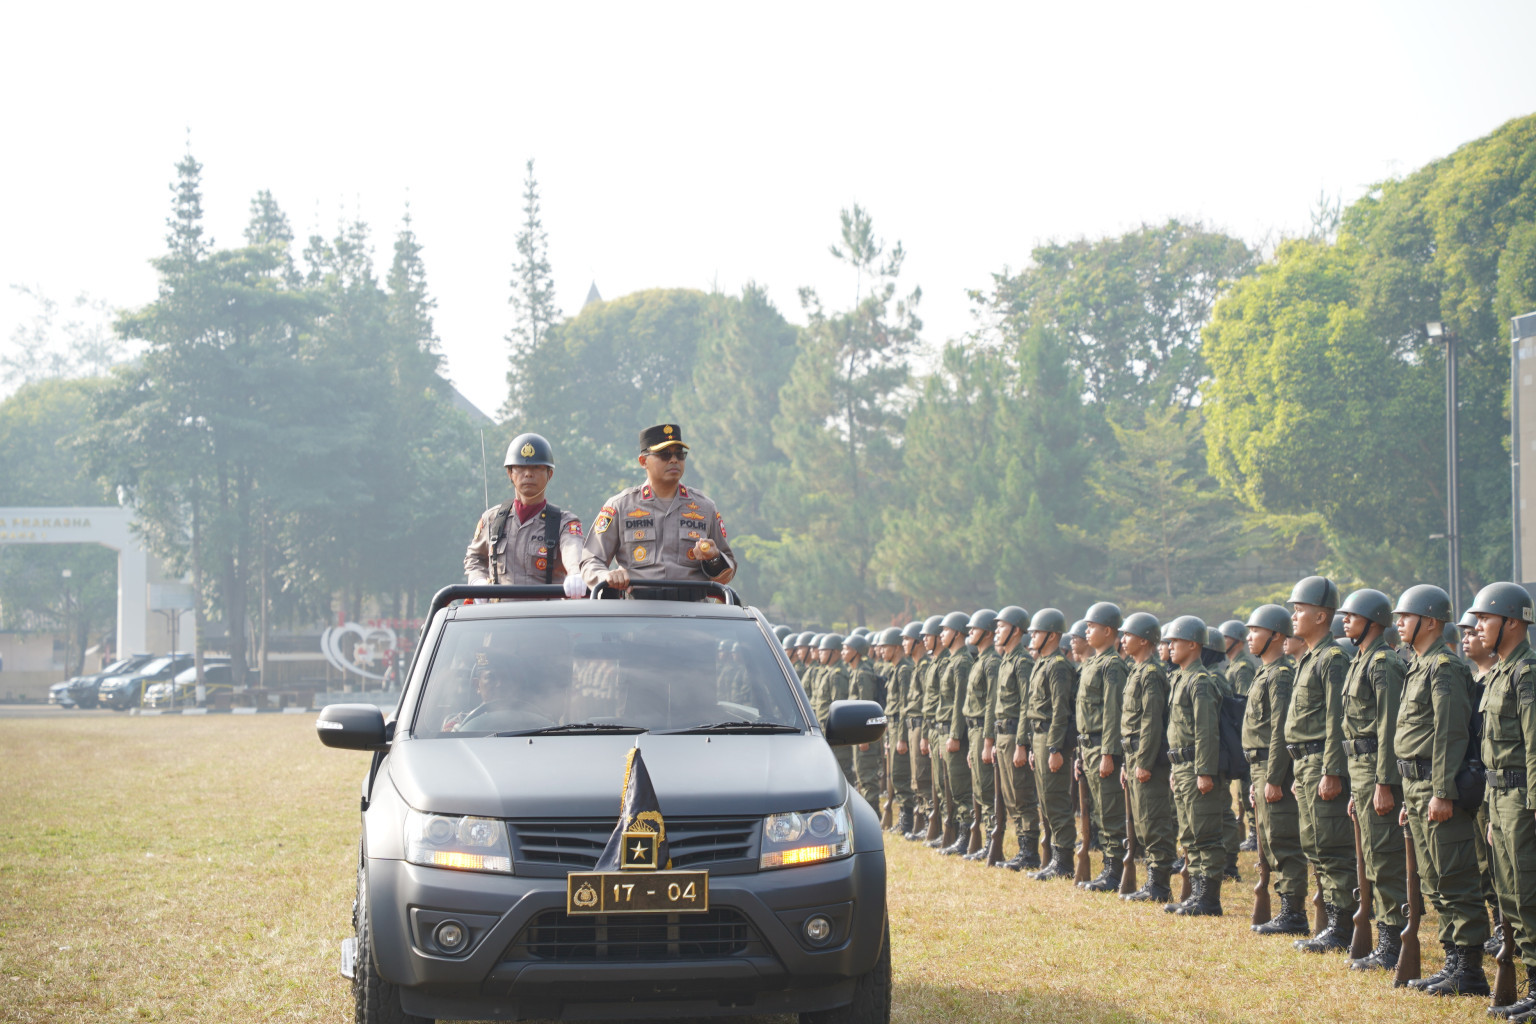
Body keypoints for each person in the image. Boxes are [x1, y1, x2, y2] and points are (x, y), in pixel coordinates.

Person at [1393, 583, 1491, 996]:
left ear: (1429, 621)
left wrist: (1442, 791)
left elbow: (1450, 734)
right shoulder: (1418, 664)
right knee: (1434, 880)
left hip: (1437, 785)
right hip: (1416, 785)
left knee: (1454, 876)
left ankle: (1469, 971)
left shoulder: (1444, 668)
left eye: (1405, 617)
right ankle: (1453, 961)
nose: (1398, 624)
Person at [1469, 582, 1536, 1018]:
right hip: (1500, 796)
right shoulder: (1500, 673)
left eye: (1485, 620)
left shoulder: (1526, 674)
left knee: (1529, 891)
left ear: (1511, 623)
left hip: (1522, 797)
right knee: (1510, 895)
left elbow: (1534, 744)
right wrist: (1494, 810)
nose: (1477, 627)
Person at [1284, 575, 1359, 954]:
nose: (1293, 616)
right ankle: (1331, 923)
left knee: (1332, 846)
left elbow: (1336, 720)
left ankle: (1343, 928)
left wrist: (1331, 770)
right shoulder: (1309, 658)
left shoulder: (1332, 658)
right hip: (1306, 763)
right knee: (1315, 844)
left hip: (1321, 762)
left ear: (1321, 615)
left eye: (1299, 610)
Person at [1334, 588, 1408, 970]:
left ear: (1373, 622)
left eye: (1353, 615)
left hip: (1377, 773)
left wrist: (1383, 782)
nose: (1345, 620)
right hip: (1360, 773)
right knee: (1371, 859)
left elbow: (1388, 727)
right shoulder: (1359, 660)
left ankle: (1393, 944)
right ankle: (1385, 939)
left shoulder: (1382, 663)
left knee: (1384, 859)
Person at [580, 423, 735, 592]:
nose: (674, 460)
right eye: (664, 455)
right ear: (643, 461)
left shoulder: (705, 507)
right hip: (639, 611)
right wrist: (606, 576)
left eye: (679, 454)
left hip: (692, 611)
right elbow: (590, 561)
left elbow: (727, 573)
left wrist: (713, 558)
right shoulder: (621, 506)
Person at [1244, 604, 1311, 936]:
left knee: (1284, 839)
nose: (1249, 637)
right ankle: (1287, 908)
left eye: (1254, 630)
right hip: (1260, 767)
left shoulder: (1281, 675)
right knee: (1270, 840)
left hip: (1275, 770)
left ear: (1275, 635)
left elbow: (1278, 730)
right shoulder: (1265, 673)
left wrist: (1272, 778)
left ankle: (1293, 912)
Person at [1162, 614, 1227, 916]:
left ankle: (1209, 898)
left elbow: (1206, 731)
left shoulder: (1200, 682)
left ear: (1192, 644)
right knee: (1189, 832)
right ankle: (1197, 894)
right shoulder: (1180, 678)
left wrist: (1205, 771)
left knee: (1205, 833)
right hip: (1182, 765)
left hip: (1196, 766)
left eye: (1175, 641)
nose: (1170, 646)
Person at [464, 432, 586, 593]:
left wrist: (575, 573)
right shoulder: (493, 520)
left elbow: (573, 550)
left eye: (536, 467)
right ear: (510, 473)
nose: (528, 473)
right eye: (521, 467)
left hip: (545, 615)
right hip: (499, 614)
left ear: (550, 474)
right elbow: (475, 558)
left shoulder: (563, 523)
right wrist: (478, 581)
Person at [1119, 611, 1175, 903]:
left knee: (1153, 820)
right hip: (1134, 754)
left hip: (1146, 756)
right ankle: (1153, 880)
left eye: (1127, 635)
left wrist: (1144, 761)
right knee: (1141, 820)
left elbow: (1152, 721)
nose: (1123, 639)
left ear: (1143, 640)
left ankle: (1159, 884)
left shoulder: (1152, 673)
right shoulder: (1137, 670)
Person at [1076, 601, 1128, 892]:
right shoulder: (1091, 664)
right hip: (1088, 746)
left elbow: (1112, 712)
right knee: (1098, 811)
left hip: (1102, 747)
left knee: (1110, 812)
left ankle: (1114, 869)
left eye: (1091, 626)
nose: (1087, 630)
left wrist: (1109, 753)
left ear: (1108, 630)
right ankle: (1108, 867)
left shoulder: (1112, 665)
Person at [1025, 608, 1077, 880]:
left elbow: (1060, 711)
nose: (1032, 636)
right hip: (1039, 737)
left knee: (1056, 799)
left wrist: (1055, 748)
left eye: (1037, 632)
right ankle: (1056, 858)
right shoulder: (1042, 663)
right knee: (1045, 800)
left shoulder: (1057, 666)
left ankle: (1064, 862)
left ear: (1053, 635)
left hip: (1050, 737)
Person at [987, 605, 1040, 870]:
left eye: (1002, 626)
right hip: (1003, 735)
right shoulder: (1006, 660)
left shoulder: (1022, 662)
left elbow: (1026, 706)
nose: (997, 631)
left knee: (1021, 794)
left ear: (1016, 630)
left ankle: (1030, 852)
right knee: (1009, 796)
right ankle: (1022, 847)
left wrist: (1021, 743)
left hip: (1015, 735)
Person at [960, 609, 1001, 861]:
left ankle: (992, 842)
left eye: (974, 629)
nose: (970, 633)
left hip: (982, 732)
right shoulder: (980, 660)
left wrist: (987, 742)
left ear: (986, 632)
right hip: (973, 730)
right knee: (979, 788)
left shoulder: (991, 662)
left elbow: (990, 704)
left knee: (987, 789)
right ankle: (986, 841)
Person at [936, 611, 977, 856]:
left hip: (955, 735)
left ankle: (966, 836)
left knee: (961, 789)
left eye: (945, 630)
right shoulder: (952, 661)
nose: (941, 635)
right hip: (944, 731)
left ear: (957, 633)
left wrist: (954, 734)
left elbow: (960, 701)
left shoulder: (962, 662)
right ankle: (956, 833)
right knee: (948, 786)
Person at [1221, 619, 1260, 852]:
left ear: (1235, 640)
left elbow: (1244, 702)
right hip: (1237, 732)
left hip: (1243, 733)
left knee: (1248, 787)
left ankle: (1255, 832)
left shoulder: (1243, 667)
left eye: (1226, 637)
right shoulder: (1233, 665)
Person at [879, 627, 917, 836]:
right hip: (892, 727)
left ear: (895, 648)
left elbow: (904, 705)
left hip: (899, 728)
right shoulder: (894, 670)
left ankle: (908, 819)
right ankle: (904, 817)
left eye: (885, 646)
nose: (881, 650)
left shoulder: (904, 671)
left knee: (902, 775)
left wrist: (901, 737)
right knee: (895, 775)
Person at [898, 621, 932, 841]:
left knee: (923, 778)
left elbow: (929, 703)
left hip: (921, 726)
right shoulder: (918, 667)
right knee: (915, 780)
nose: (903, 644)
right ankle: (924, 823)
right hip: (913, 726)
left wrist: (926, 734)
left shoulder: (926, 667)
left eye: (907, 639)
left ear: (918, 642)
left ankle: (932, 823)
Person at [843, 634, 884, 810]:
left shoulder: (863, 674)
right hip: (858, 734)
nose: (843, 652)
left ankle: (873, 815)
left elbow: (866, 706)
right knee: (860, 775)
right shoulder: (855, 672)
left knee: (867, 777)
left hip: (864, 736)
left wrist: (865, 737)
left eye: (847, 649)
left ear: (857, 652)